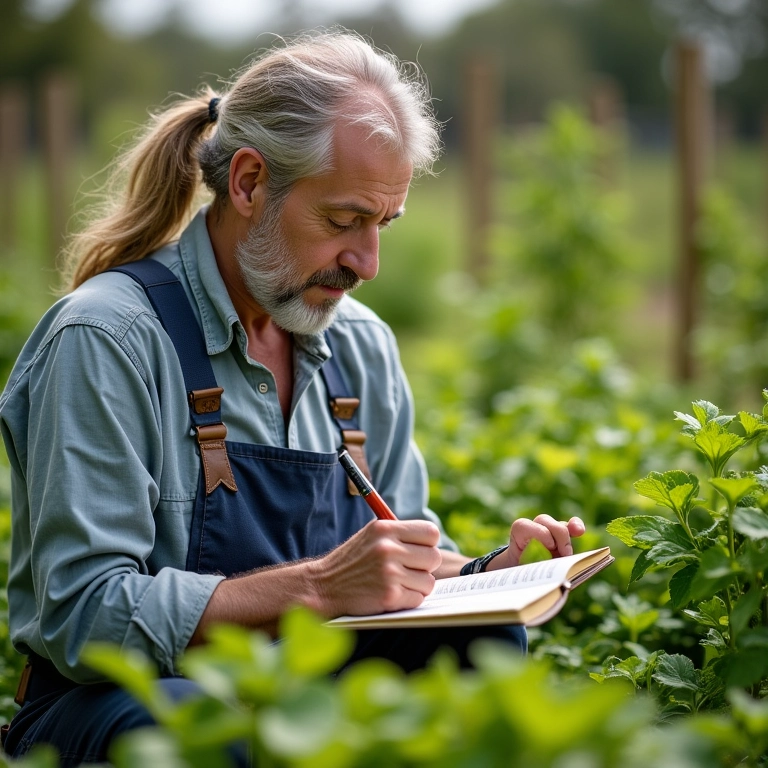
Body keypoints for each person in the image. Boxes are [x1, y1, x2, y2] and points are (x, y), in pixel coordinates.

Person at [0, 29, 585, 765]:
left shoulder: (361, 346)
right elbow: (82, 616)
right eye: (343, 221)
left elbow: (400, 560)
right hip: (122, 704)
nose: (367, 262)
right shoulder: (106, 339)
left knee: (485, 639)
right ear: (249, 183)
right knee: (184, 720)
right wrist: (317, 588)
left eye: (383, 224)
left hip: (304, 694)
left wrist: (484, 576)